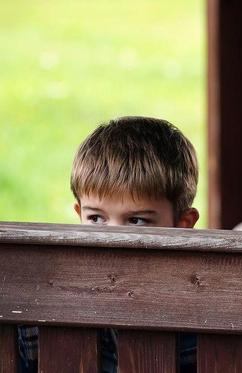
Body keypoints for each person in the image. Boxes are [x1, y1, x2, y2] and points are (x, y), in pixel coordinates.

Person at [18, 116, 199, 373]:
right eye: (96, 218)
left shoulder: (202, 312)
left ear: (183, 224)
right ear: (79, 213)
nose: (112, 241)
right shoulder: (37, 317)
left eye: (136, 221)